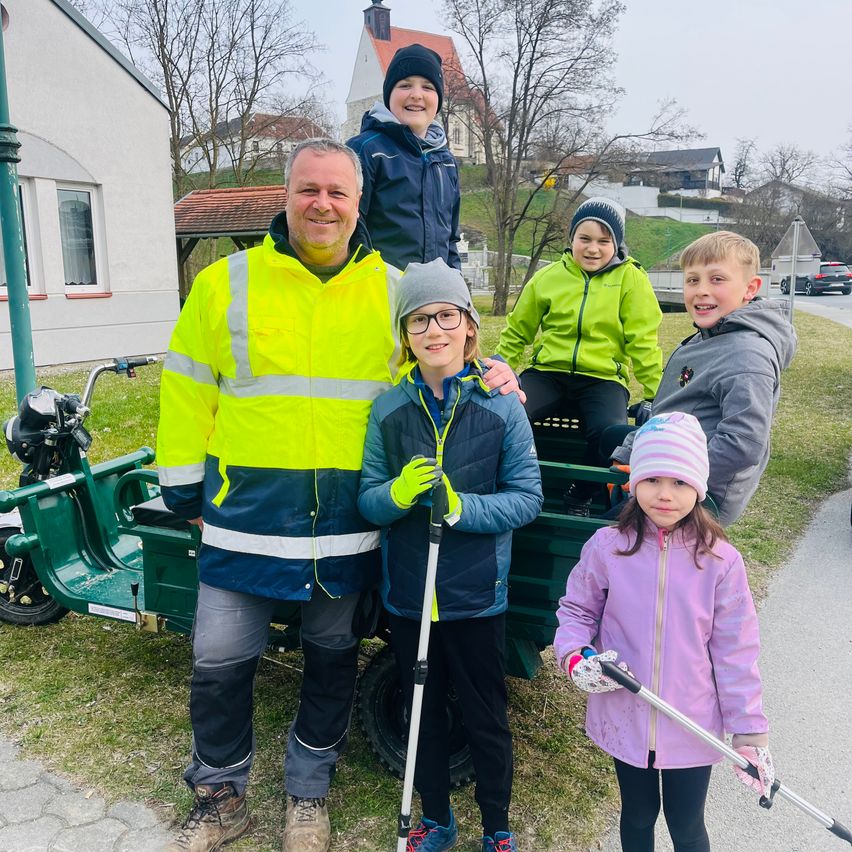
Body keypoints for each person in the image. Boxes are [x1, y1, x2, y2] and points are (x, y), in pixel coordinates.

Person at [156, 139, 521, 852]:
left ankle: (308, 796)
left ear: (358, 206)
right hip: (245, 522)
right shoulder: (224, 283)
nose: (322, 203)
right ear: (285, 196)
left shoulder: (391, 291)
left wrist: (495, 371)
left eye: (338, 192)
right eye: (308, 189)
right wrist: (182, 490)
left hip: (346, 532)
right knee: (219, 668)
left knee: (331, 665)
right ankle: (221, 795)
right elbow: (186, 388)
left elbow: (441, 357)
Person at [358, 258, 543, 852]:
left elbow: (526, 499)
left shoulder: (500, 405)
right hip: (412, 595)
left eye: (445, 316)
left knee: (486, 720)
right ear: (405, 336)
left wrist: (462, 509)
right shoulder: (388, 410)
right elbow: (368, 501)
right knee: (421, 713)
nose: (433, 331)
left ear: (468, 324)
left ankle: (498, 829)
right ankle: (435, 818)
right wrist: (396, 495)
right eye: (418, 321)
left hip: (476, 595)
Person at [554, 412, 774, 852]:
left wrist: (749, 735)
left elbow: (736, 651)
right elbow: (577, 610)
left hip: (691, 722)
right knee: (636, 816)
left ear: (698, 487)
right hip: (626, 712)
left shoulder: (720, 561)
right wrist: (575, 655)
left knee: (687, 824)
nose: (665, 495)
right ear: (635, 483)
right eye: (652, 479)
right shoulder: (607, 547)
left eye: (679, 482)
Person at [608, 231, 797, 526]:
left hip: (696, 498)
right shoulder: (705, 339)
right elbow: (666, 413)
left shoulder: (747, 355)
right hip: (670, 465)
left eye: (717, 279)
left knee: (599, 538)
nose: (701, 290)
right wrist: (627, 456)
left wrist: (657, 477)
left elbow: (743, 443)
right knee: (610, 437)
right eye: (693, 280)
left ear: (750, 288)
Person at [496, 197, 663, 513]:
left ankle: (581, 493)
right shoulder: (549, 277)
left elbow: (642, 341)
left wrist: (655, 394)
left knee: (611, 434)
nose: (593, 248)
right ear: (571, 239)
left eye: (604, 241)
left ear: (617, 243)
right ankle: (515, 485)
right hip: (548, 373)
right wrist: (499, 366)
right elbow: (519, 329)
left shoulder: (631, 279)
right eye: (584, 239)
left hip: (601, 379)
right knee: (506, 411)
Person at [346, 43, 461, 271]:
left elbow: (451, 240)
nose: (416, 95)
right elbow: (350, 230)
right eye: (405, 85)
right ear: (389, 94)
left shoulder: (446, 161)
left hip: (434, 298)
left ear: (438, 98)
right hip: (380, 292)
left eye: (427, 87)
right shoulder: (365, 151)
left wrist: (455, 290)